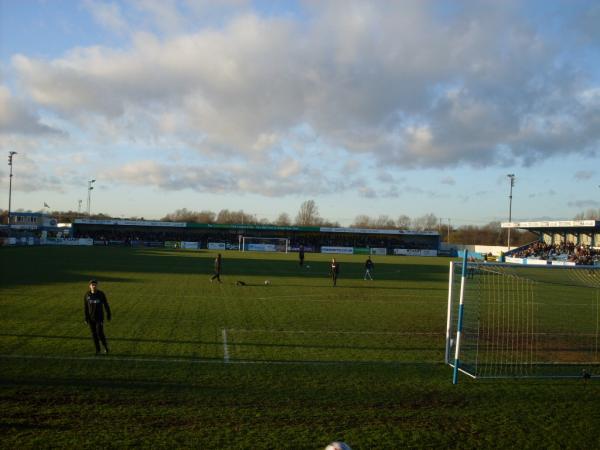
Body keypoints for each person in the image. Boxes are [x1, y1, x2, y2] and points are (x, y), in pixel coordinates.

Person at [83, 279, 111, 355]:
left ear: (97, 286)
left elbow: (106, 304)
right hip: (91, 318)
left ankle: (105, 347)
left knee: (100, 333)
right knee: (94, 334)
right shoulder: (87, 295)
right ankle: (97, 350)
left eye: (95, 285)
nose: (94, 286)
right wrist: (86, 318)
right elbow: (85, 307)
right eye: (92, 285)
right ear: (89, 286)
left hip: (99, 317)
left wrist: (108, 314)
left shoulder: (101, 294)